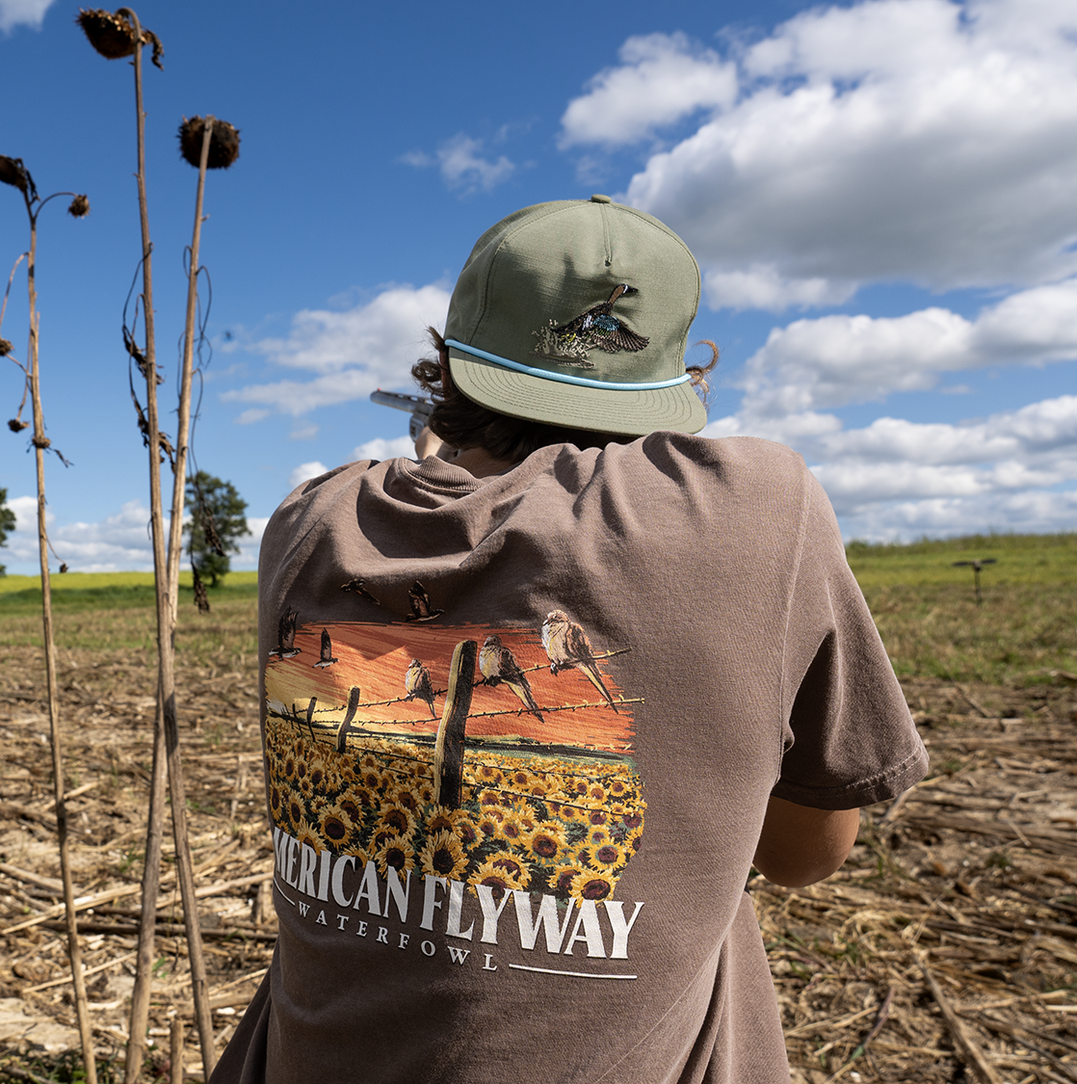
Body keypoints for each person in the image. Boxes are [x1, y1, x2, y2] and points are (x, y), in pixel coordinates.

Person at [211, 196, 927, 1083]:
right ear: (672, 377)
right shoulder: (757, 508)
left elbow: (464, 509)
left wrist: (443, 455)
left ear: (452, 361)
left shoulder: (311, 520)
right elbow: (802, 856)